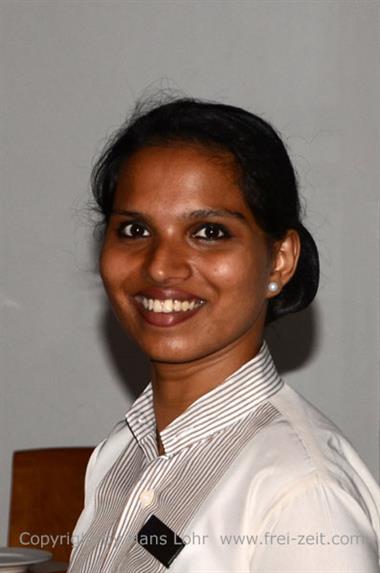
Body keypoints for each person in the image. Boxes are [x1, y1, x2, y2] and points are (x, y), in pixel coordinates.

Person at [68, 98, 380, 573]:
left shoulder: (302, 493)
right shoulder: (121, 454)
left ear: (279, 260)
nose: (159, 265)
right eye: (134, 229)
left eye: (209, 232)